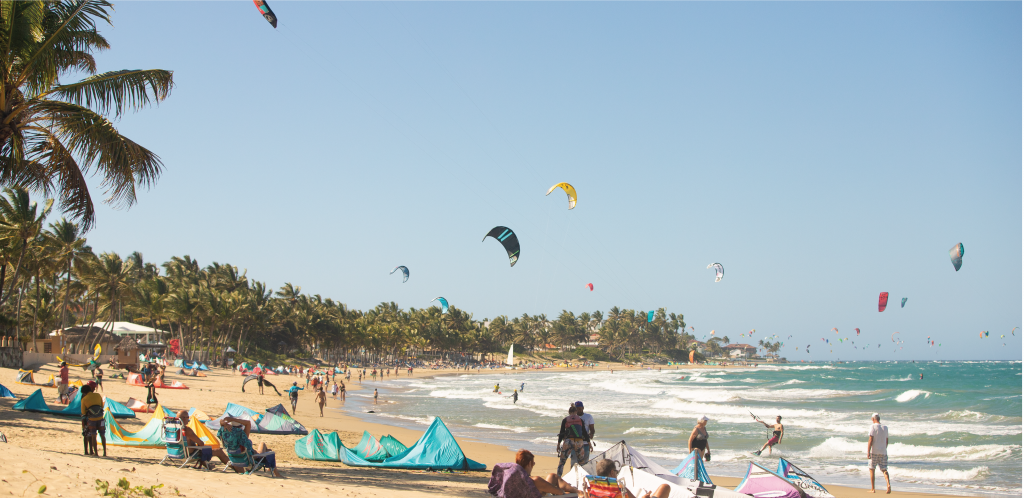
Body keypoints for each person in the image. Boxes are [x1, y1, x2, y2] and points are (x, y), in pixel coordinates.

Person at [487, 449, 578, 497]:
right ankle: (578, 492)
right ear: (529, 464)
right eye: (533, 463)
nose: (533, 465)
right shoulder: (535, 481)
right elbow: (559, 492)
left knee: (552, 476)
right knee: (559, 485)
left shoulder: (511, 481)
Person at [216, 417, 282, 478]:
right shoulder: (242, 435)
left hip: (234, 459)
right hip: (250, 459)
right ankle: (277, 474)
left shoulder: (225, 435)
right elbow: (248, 423)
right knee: (266, 448)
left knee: (267, 450)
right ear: (240, 427)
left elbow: (222, 421)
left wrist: (223, 423)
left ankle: (270, 468)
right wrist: (234, 420)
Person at [584, 458, 670, 498]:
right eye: (616, 471)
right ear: (612, 472)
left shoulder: (592, 489)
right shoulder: (619, 488)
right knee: (665, 487)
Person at [556, 405, 590, 475]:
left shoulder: (565, 419)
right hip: (579, 442)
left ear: (569, 412)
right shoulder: (580, 420)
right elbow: (584, 432)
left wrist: (558, 444)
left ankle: (558, 479)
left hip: (568, 441)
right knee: (581, 463)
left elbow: (561, 433)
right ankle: (582, 479)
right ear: (576, 412)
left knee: (562, 462)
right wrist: (589, 443)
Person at [80, 382, 106, 456]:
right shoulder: (98, 395)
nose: (94, 389)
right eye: (93, 388)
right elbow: (101, 406)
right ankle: (104, 452)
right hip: (100, 418)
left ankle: (91, 452)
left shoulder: (84, 398)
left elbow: (83, 412)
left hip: (91, 419)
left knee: (89, 434)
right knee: (102, 435)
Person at [867, 413, 891, 494]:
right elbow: (886, 441)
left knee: (872, 469)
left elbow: (870, 440)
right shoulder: (885, 427)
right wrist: (884, 449)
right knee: (884, 469)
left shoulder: (873, 426)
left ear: (873, 419)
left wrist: (868, 452)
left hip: (874, 451)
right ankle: (888, 484)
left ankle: (873, 489)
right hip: (883, 452)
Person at [575, 401, 595, 466]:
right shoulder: (573, 417)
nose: (578, 410)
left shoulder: (588, 417)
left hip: (586, 443)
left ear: (583, 408)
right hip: (575, 443)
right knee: (574, 462)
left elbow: (592, 429)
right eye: (577, 409)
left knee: (585, 462)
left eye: (580, 409)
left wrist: (591, 434)